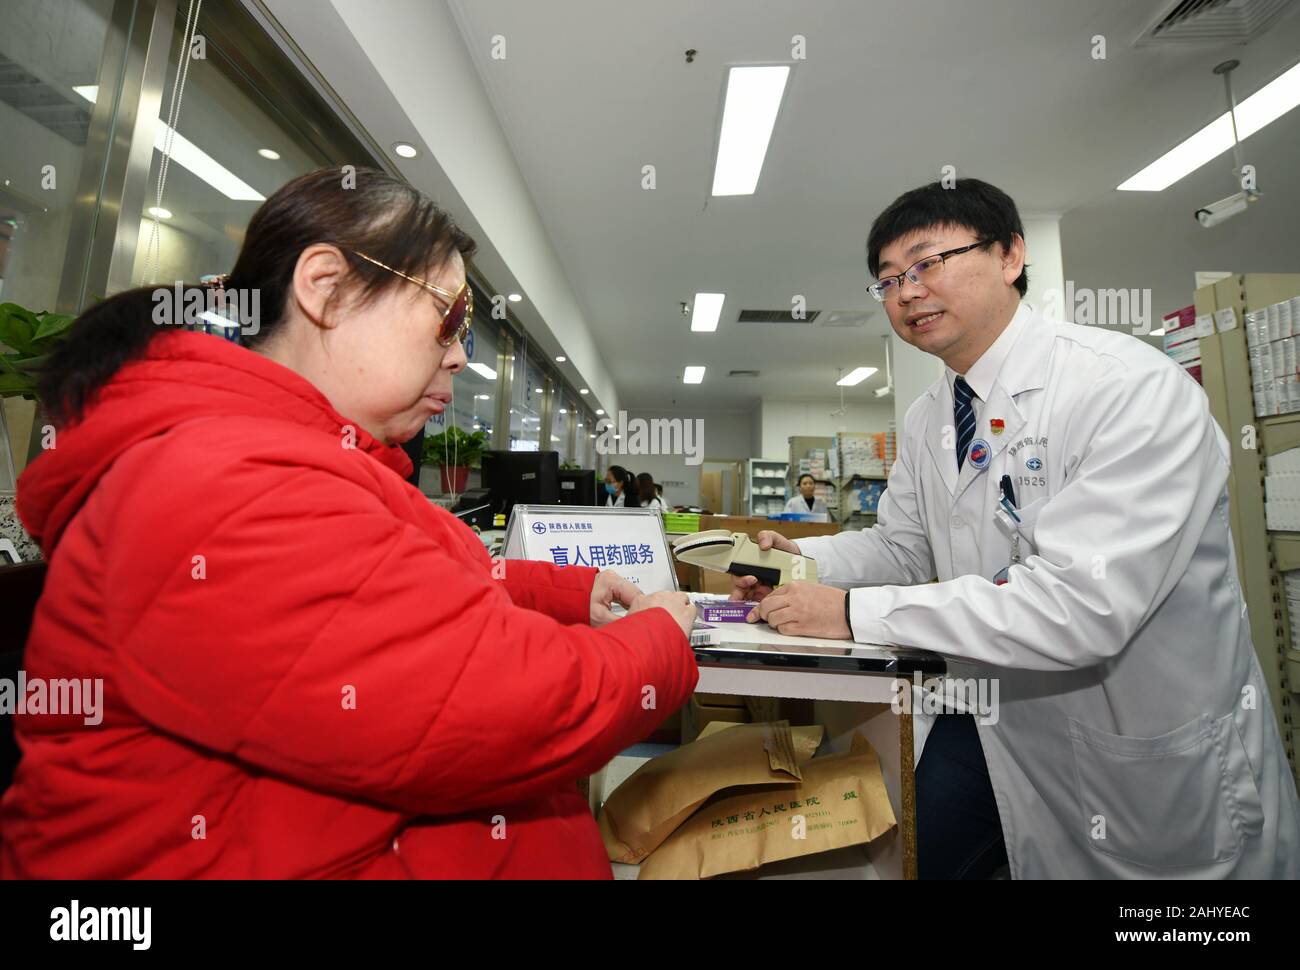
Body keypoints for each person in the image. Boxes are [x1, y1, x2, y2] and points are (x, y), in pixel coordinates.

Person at [0, 168, 698, 879]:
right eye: (449, 317)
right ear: (326, 288)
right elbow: (497, 704)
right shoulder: (224, 480)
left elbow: (399, 585)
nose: (460, 351)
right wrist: (660, 643)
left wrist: (567, 593)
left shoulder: (278, 456)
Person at [731, 178, 1300, 880]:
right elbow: (905, 547)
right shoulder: (930, 415)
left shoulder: (1126, 390)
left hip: (1130, 730)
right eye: (886, 281)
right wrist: (807, 563)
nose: (905, 293)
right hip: (991, 712)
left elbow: (1081, 605)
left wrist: (851, 613)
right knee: (922, 856)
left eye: (926, 263)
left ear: (1010, 255)